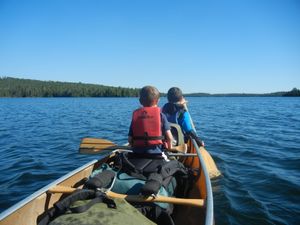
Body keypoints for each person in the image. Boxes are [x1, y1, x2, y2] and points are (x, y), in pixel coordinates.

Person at [128, 85, 173, 155]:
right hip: (157, 154)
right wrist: (169, 148)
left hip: (137, 154)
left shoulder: (136, 117)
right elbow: (169, 137)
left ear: (140, 101)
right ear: (158, 101)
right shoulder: (161, 116)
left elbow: (130, 139)